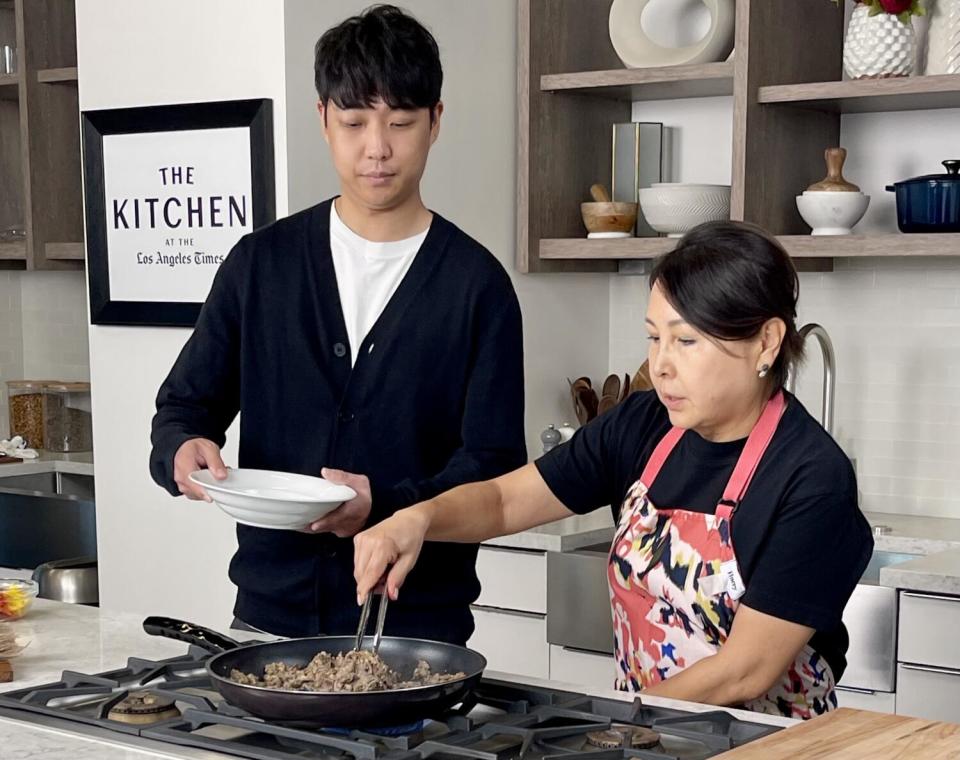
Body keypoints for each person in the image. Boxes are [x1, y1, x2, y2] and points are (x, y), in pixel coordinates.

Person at [354, 221, 874, 720]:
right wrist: (416, 518)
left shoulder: (811, 478)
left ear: (766, 341)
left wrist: (611, 725)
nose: (661, 365)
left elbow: (743, 673)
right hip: (645, 732)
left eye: (686, 341)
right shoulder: (642, 426)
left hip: (762, 742)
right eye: (654, 338)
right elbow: (505, 501)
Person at [149, 4, 526, 644]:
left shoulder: (476, 286)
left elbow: (493, 469)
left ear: (435, 121)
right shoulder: (260, 266)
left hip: (415, 637)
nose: (376, 148)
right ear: (323, 119)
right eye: (353, 122)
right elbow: (185, 406)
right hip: (264, 624)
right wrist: (181, 450)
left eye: (401, 122)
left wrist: (381, 504)